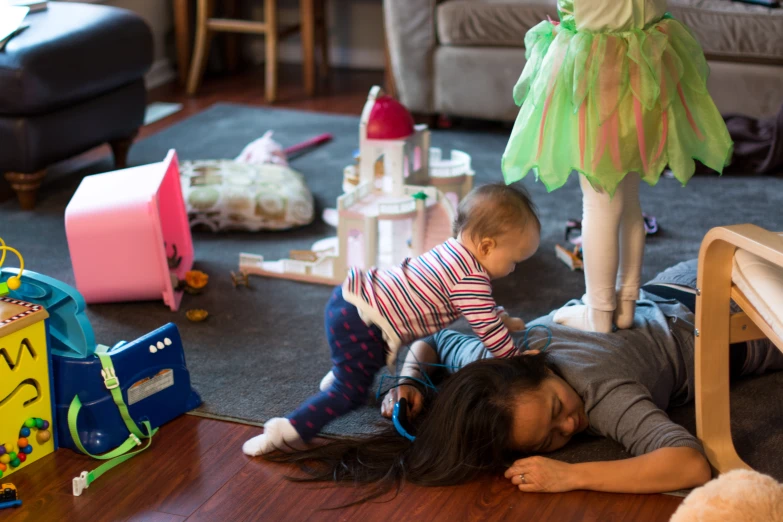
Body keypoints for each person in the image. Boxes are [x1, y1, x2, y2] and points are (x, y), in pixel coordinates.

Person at [262, 260, 782, 498]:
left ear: (531, 364)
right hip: (681, 279)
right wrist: (411, 381)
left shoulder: (601, 391)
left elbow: (689, 464)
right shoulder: (492, 363)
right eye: (554, 440)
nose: (571, 424)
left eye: (557, 410)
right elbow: (435, 342)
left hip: (748, 324)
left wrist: (573, 475)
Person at [242, 183, 541, 456]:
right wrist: (515, 357)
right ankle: (288, 430)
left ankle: (342, 372)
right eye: (513, 260)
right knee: (352, 393)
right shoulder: (471, 278)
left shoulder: (453, 252)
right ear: (487, 246)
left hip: (350, 302)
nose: (512, 269)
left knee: (362, 362)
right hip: (365, 324)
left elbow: (482, 312)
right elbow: (486, 328)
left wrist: (501, 317)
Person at [502, 0, 733, 333]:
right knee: (627, 199)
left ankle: (598, 312)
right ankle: (626, 303)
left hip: (595, 71)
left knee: (598, 202)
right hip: (646, 67)